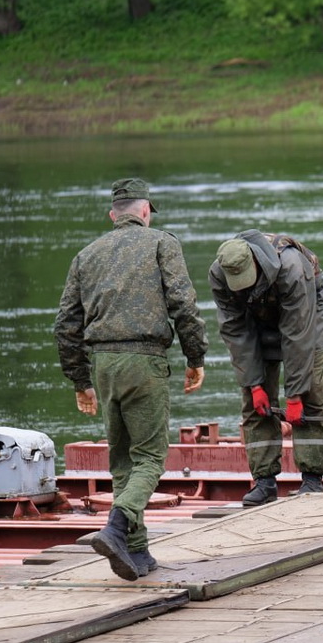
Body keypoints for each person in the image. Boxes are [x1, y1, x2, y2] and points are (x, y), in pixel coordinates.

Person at [54, 178, 208, 581]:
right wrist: (196, 356)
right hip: (145, 360)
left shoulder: (85, 255)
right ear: (145, 211)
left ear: (113, 215)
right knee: (152, 456)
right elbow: (183, 303)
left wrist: (78, 379)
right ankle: (118, 527)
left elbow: (65, 325)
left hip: (102, 365)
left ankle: (137, 553)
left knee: (121, 459)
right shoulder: (162, 243)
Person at [209, 230, 323, 505]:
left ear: (255, 262)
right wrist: (254, 385)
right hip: (255, 316)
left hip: (305, 307)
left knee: (310, 387)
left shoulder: (291, 268)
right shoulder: (219, 274)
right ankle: (264, 481)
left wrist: (294, 395)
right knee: (254, 401)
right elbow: (235, 330)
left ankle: (312, 478)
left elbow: (298, 335)